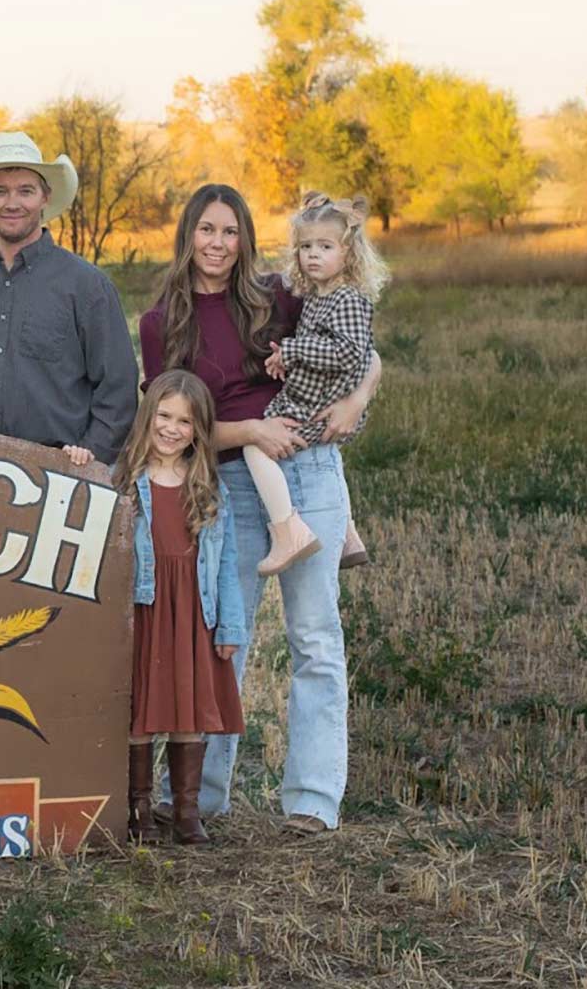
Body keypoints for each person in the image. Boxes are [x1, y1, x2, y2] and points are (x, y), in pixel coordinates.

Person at [137, 183, 382, 838]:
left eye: (229, 231)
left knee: (315, 638)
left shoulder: (279, 297)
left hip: (308, 470)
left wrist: (356, 403)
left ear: (244, 238)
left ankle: (312, 798)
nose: (217, 244)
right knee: (224, 640)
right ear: (187, 235)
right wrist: (248, 433)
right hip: (228, 486)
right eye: (205, 230)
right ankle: (196, 795)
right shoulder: (164, 323)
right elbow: (169, 428)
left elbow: (362, 350)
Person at [69, 370, 247, 845]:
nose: (172, 429)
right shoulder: (122, 481)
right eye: (164, 416)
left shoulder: (209, 487)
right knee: (142, 709)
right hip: (144, 608)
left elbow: (226, 562)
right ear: (147, 416)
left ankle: (187, 811)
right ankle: (139, 810)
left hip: (191, 608)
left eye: (185, 422)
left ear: (198, 430)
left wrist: (230, 624)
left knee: (189, 710)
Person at [0, 131, 137, 460]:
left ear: (45, 196)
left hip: (60, 485)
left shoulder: (88, 287)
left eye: (25, 191)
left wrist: (86, 465)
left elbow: (117, 393)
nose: (12, 203)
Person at [246, 194, 387, 575]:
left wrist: (293, 349)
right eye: (306, 246)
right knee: (329, 458)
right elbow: (316, 348)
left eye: (325, 247)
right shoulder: (315, 297)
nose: (313, 255)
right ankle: (347, 531)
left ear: (349, 253)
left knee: (254, 447)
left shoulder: (347, 299)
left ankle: (286, 528)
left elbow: (349, 352)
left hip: (314, 405)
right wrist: (285, 359)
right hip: (312, 395)